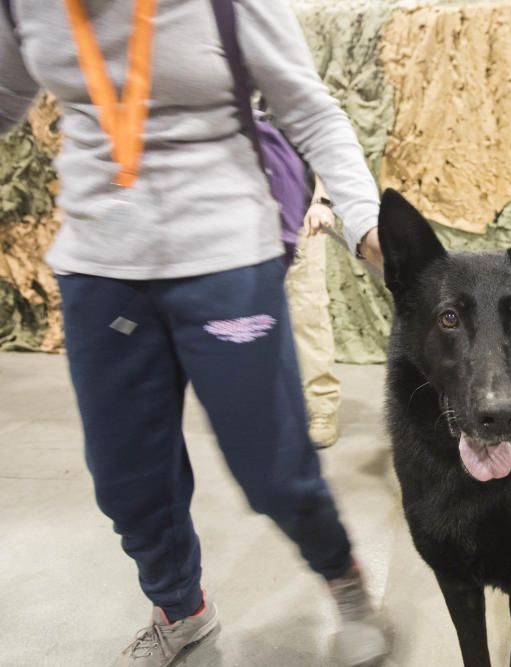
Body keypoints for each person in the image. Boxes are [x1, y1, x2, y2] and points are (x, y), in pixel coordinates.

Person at [0, 2, 388, 666]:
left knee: (273, 471)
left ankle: (343, 574)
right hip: (100, 263)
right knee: (126, 480)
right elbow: (6, 94)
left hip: (224, 252)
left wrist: (365, 220)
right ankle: (182, 610)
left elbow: (309, 109)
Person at [289, 178, 343, 448]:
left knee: (307, 314)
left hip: (298, 216)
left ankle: (321, 407)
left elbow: (321, 144)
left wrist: (321, 200)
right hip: (241, 220)